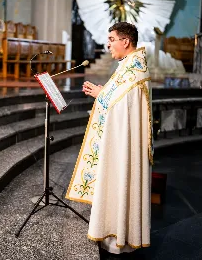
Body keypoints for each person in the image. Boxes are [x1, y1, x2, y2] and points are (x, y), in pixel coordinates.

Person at [66, 22, 153, 255]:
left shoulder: (135, 70)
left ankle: (120, 236)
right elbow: (120, 97)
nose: (108, 44)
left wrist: (100, 94)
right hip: (119, 138)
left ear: (126, 41)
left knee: (121, 179)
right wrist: (103, 91)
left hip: (125, 145)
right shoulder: (128, 65)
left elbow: (123, 102)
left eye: (112, 39)